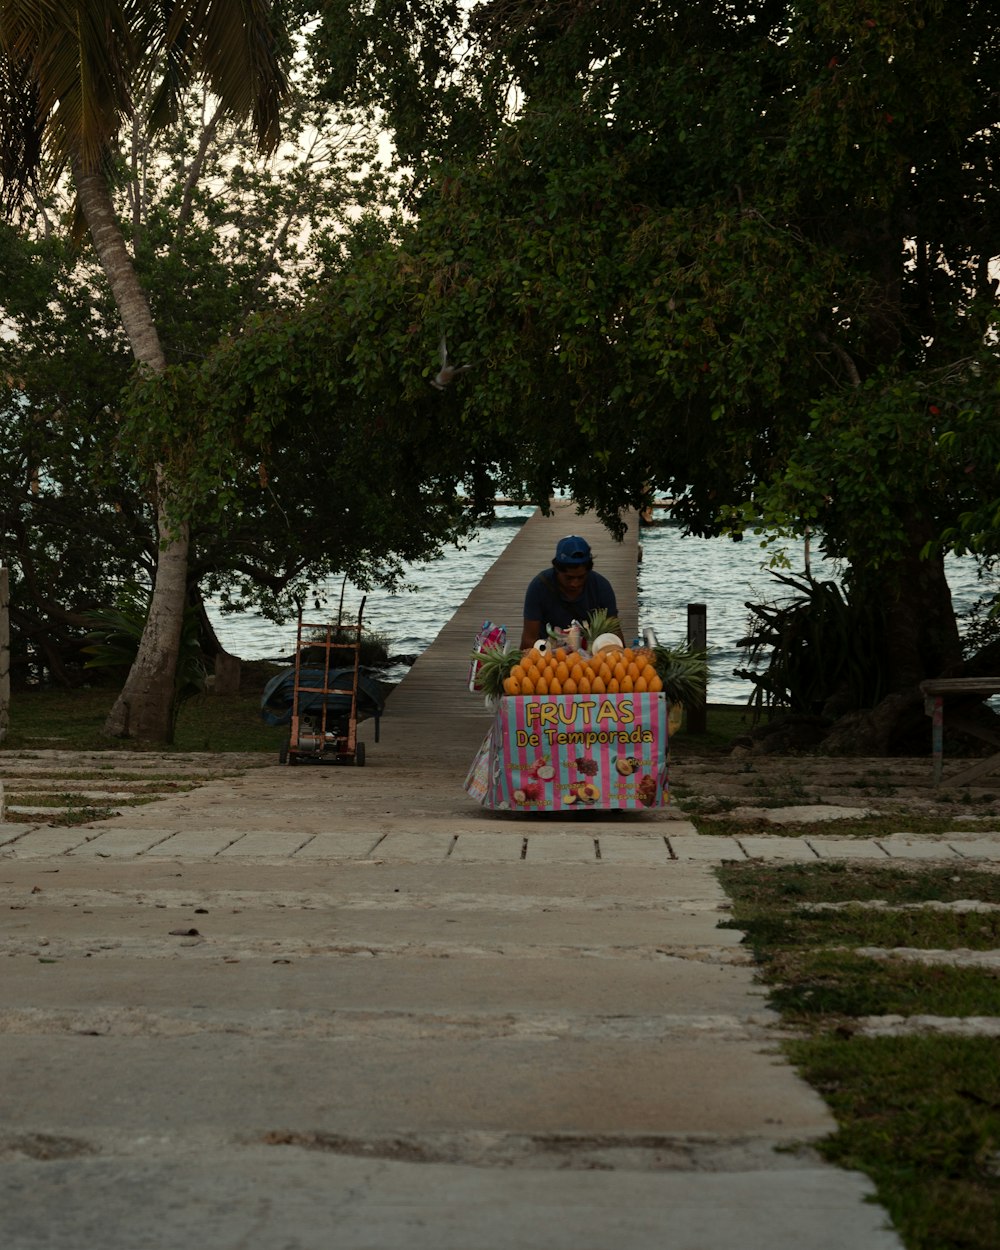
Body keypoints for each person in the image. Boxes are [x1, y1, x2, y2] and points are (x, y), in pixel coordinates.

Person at [520, 535, 618, 650]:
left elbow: (615, 635)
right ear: (557, 570)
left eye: (581, 577)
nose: (575, 584)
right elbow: (528, 640)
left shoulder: (601, 587)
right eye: (569, 578)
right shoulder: (538, 587)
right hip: (548, 653)